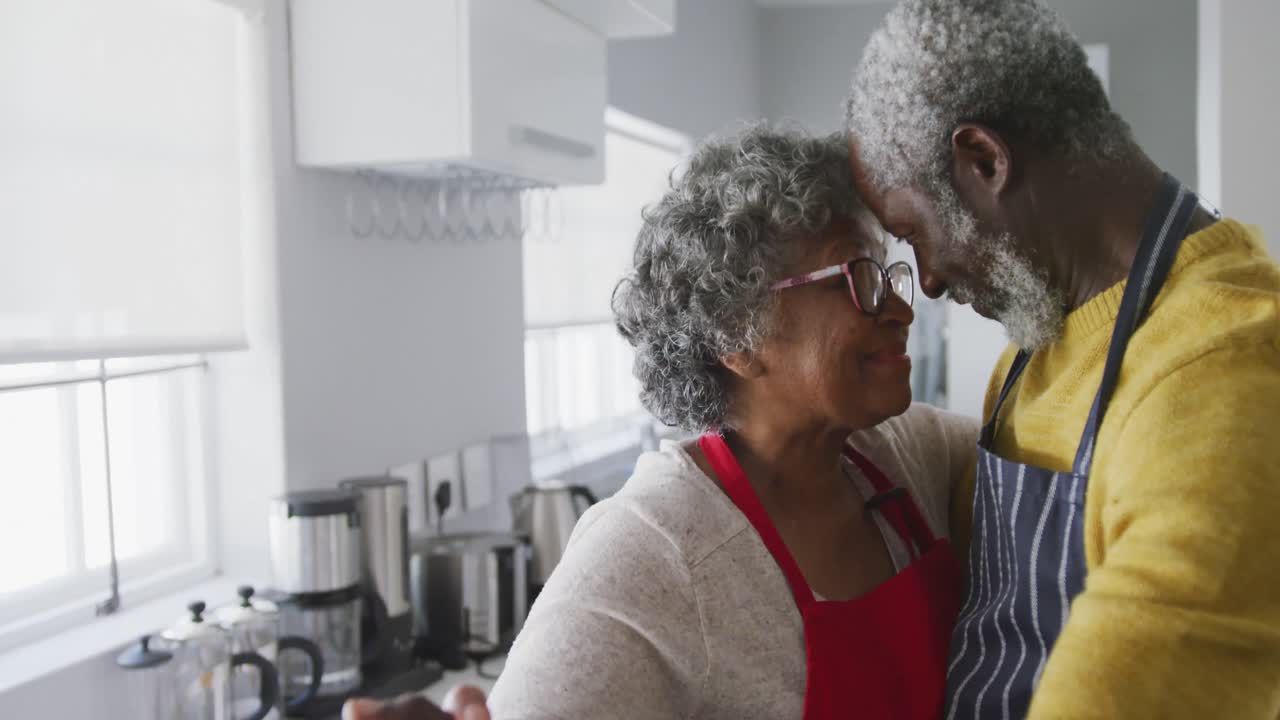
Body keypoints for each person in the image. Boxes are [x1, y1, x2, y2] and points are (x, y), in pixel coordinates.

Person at [347, 125, 979, 720]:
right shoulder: (652, 552)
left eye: (887, 273)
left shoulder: (911, 454)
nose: (901, 308)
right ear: (738, 335)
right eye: (857, 278)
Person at [843, 0, 1280, 718]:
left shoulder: (1226, 363)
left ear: (983, 160)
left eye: (912, 232)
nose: (928, 280)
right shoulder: (1035, 351)